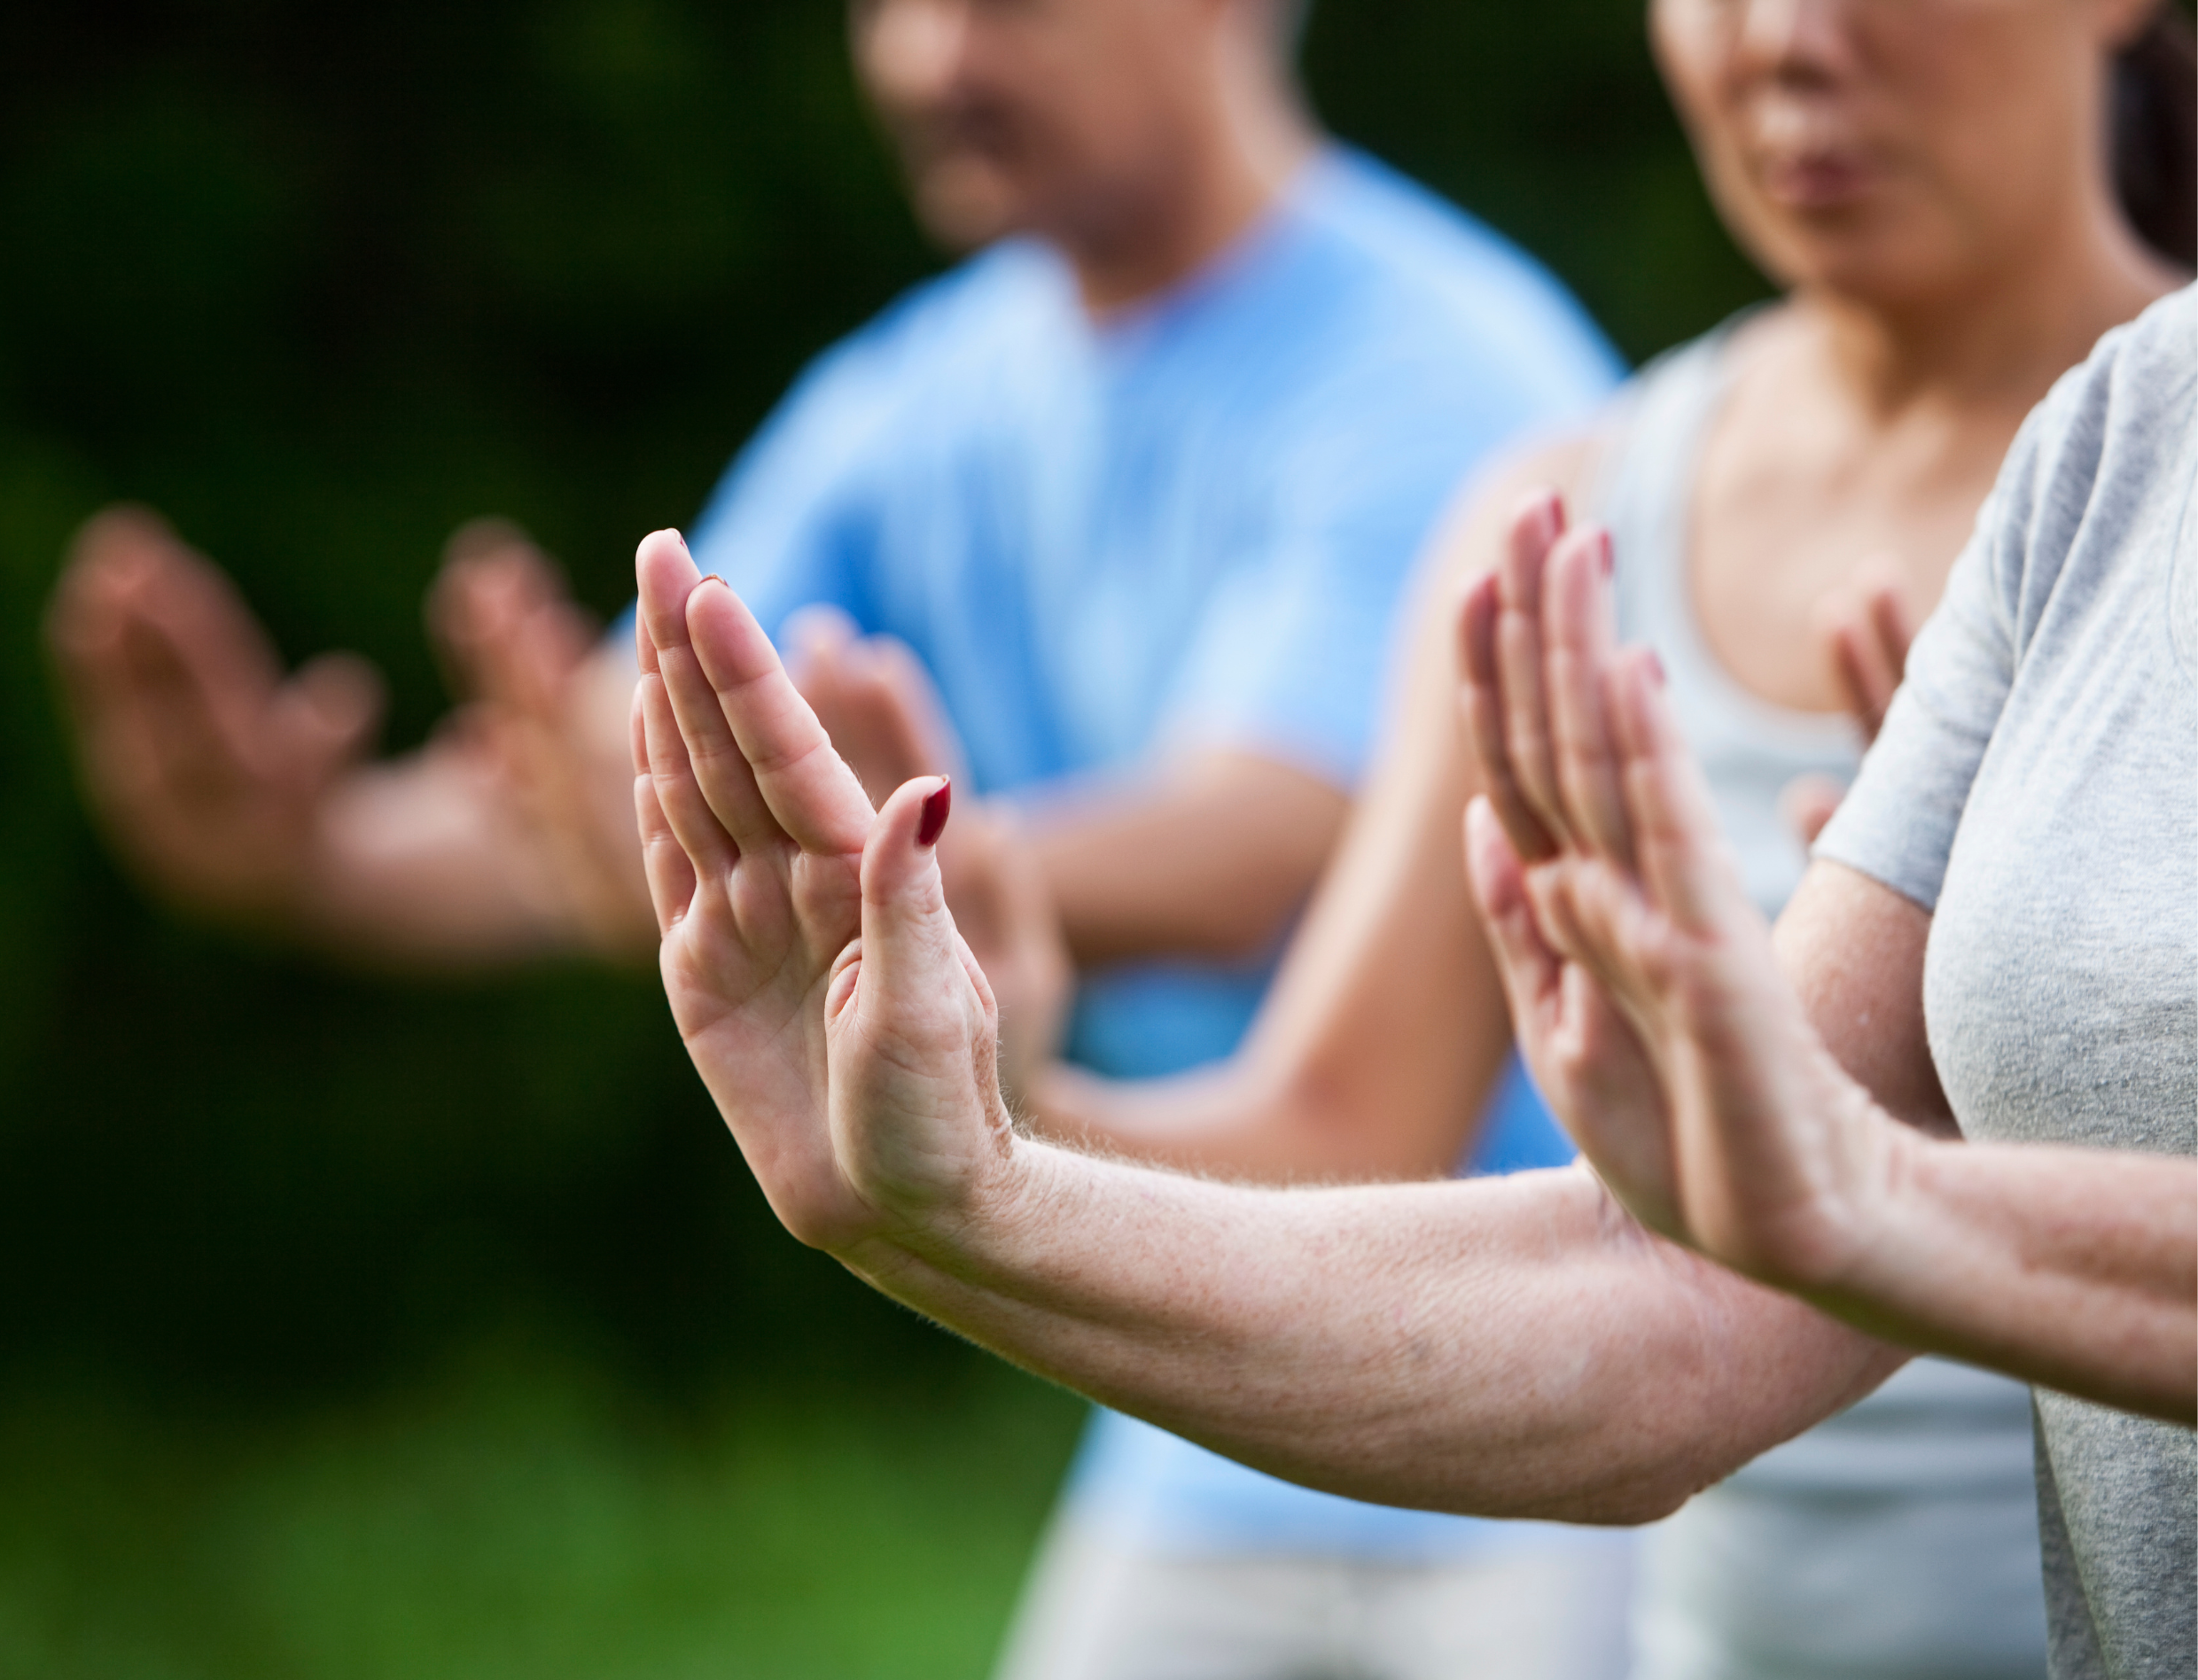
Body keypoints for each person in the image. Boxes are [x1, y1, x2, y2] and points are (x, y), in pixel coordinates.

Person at [43, 0, 1632, 1674]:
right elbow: (652, 808)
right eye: (891, 3)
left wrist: (849, 880)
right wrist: (317, 857)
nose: (931, 59)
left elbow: (1267, 838)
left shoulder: (1450, 371)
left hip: (1553, 1367)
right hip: (1205, 1395)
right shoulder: (913, 402)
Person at [798, 0, 2194, 1672]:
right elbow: (1636, 1279)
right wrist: (983, 1139)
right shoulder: (1607, 526)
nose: (1784, 37)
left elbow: (1778, 1232)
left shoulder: (2113, 470)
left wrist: (1899, 1168)